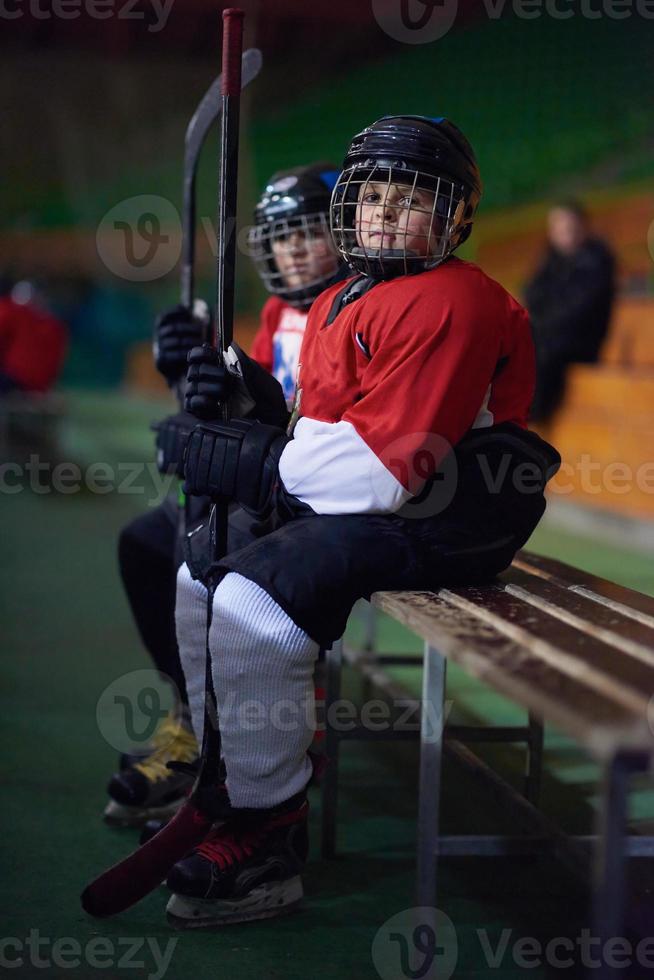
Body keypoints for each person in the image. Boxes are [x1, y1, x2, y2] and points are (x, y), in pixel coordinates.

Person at [165, 115, 561, 928]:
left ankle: (267, 833)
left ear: (456, 219)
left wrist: (252, 461)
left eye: (411, 196)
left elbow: (380, 473)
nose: (383, 210)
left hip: (457, 512)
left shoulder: (450, 298)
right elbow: (323, 428)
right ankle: (228, 773)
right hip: (395, 499)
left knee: (250, 602)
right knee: (197, 577)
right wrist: (236, 394)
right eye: (371, 192)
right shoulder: (355, 292)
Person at [103, 163, 344, 827]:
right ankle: (192, 721)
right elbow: (242, 411)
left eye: (310, 232)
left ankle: (227, 750)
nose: (293, 249)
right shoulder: (275, 313)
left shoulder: (349, 307)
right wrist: (188, 374)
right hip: (265, 486)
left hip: (311, 499)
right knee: (149, 541)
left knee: (203, 560)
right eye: (281, 235)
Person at [524, 201, 615, 423]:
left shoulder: (595, 260)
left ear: (583, 227)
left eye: (568, 228)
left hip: (581, 342)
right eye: (556, 229)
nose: (563, 235)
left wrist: (542, 323)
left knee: (542, 348)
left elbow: (578, 311)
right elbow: (532, 293)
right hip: (553, 334)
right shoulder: (551, 259)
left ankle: (532, 415)